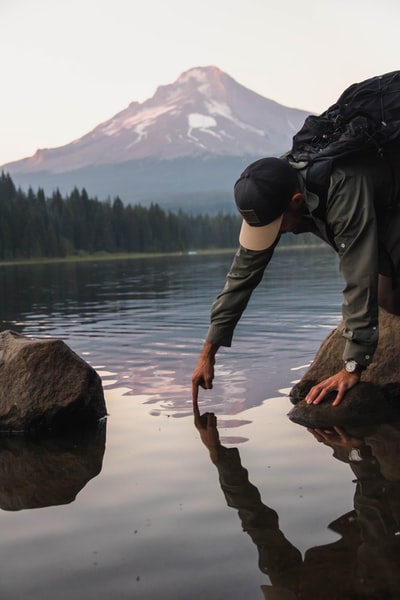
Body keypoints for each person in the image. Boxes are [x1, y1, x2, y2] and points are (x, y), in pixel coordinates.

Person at [192, 154, 400, 406]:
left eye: (277, 225)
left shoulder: (341, 187)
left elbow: (359, 273)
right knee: (384, 295)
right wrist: (208, 353)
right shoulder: (273, 185)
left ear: (296, 201)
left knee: (389, 299)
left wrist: (352, 368)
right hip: (379, 214)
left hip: (390, 207)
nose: (276, 232)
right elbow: (242, 275)